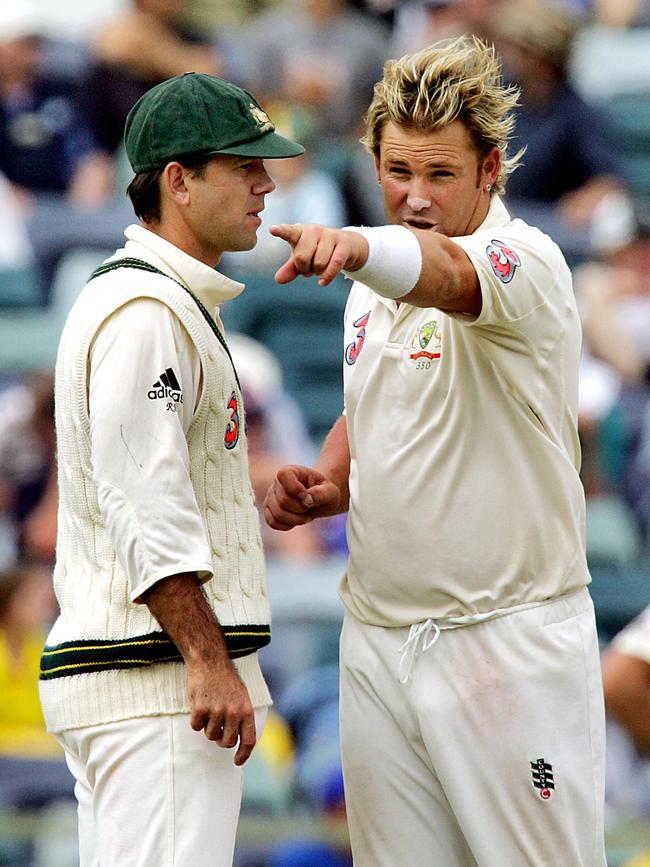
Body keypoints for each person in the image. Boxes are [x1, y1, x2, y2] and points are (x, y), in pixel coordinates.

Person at [264, 34, 607, 866]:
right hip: (378, 643)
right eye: (398, 173)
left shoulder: (528, 263)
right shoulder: (372, 288)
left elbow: (445, 273)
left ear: (491, 169)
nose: (414, 197)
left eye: (441, 175)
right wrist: (332, 479)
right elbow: (376, 396)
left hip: (507, 648)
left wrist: (352, 243)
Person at [37, 72, 304, 867]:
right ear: (179, 182)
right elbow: (141, 499)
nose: (267, 182)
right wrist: (208, 662)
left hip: (149, 684)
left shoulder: (165, 301)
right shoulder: (148, 312)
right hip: (156, 685)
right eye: (244, 165)